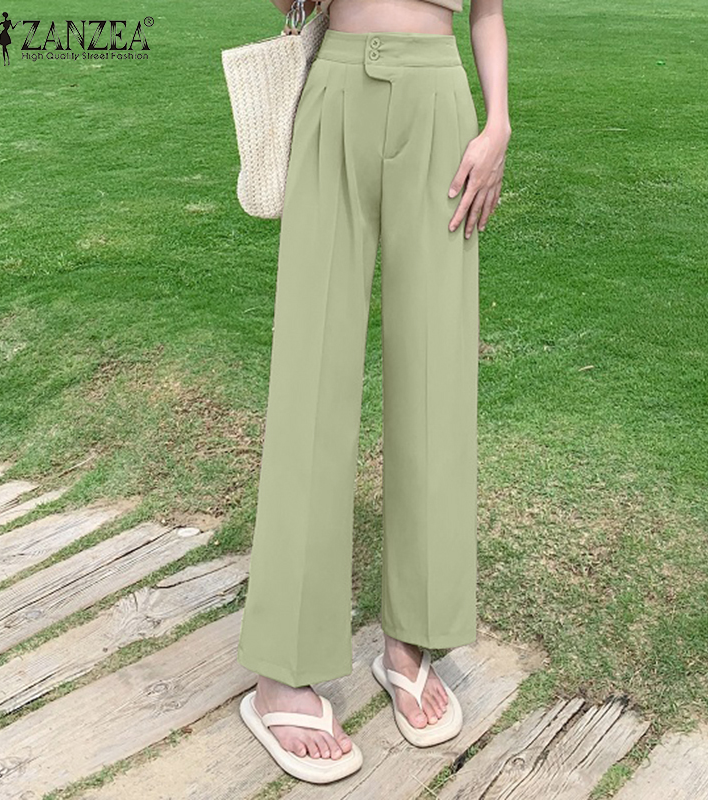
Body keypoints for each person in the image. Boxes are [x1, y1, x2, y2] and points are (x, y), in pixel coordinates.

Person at [236, 0, 510, 783]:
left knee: (437, 374)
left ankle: (412, 638)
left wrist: (498, 125)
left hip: (441, 103)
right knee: (309, 376)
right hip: (335, 89)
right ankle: (280, 670)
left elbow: (488, 13)